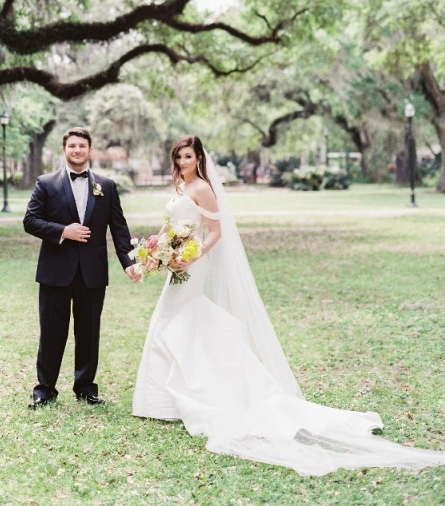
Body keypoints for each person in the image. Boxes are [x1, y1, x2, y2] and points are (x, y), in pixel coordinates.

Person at [132, 135, 445, 476]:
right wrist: (153, 257)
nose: (182, 162)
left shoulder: (204, 188)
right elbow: (168, 230)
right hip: (176, 263)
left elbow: (216, 231)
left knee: (172, 319)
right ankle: (164, 398)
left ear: (199, 158)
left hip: (192, 266)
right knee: (178, 321)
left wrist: (191, 257)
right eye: (178, 157)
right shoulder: (179, 185)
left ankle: (177, 397)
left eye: (188, 156)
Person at [24, 126, 140, 409]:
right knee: (52, 332)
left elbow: (119, 228)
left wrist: (129, 262)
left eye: (82, 146)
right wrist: (64, 230)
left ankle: (86, 387)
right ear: (65, 149)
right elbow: (31, 221)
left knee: (88, 332)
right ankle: (45, 389)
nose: (77, 150)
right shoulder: (46, 183)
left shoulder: (107, 186)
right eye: (72, 146)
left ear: (89, 150)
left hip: (92, 272)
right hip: (55, 271)